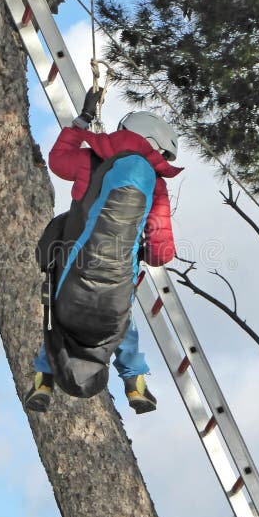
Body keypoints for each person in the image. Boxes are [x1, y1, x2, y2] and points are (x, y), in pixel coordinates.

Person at [25, 88, 182, 414]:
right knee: (123, 323)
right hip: (114, 286)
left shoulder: (89, 159)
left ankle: (44, 377)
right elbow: (161, 252)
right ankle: (134, 381)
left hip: (72, 273)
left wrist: (81, 121)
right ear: (155, 143)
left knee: (58, 322)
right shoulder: (155, 183)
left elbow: (57, 161)